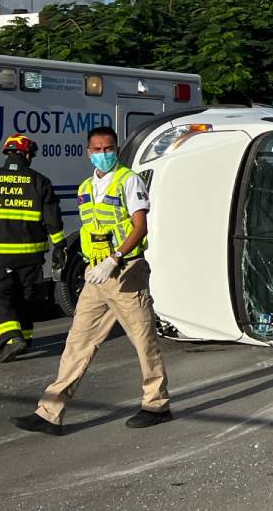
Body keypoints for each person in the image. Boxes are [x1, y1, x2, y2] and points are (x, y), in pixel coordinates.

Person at [12, 126, 170, 435]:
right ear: (88, 152)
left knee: (143, 341)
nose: (102, 154)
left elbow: (140, 227)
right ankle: (49, 412)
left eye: (107, 148)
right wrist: (92, 263)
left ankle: (156, 404)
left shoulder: (129, 180)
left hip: (125, 272)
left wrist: (115, 259)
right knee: (78, 342)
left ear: (116, 149)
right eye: (96, 150)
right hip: (96, 274)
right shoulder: (86, 187)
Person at [0, 134, 65, 362]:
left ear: (8, 154)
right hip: (30, 258)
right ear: (27, 154)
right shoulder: (40, 181)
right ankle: (25, 338)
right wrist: (59, 247)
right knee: (25, 298)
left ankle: (11, 339)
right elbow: (53, 220)